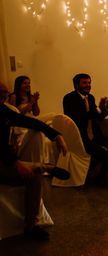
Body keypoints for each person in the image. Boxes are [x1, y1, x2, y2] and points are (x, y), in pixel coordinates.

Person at [1, 82, 68, 241]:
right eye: (0, 92)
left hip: (5, 159)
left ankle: (44, 167)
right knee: (32, 177)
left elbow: (31, 122)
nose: (3, 95)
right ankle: (30, 227)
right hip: (3, 162)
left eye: (5, 92)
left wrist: (56, 135)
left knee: (34, 176)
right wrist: (15, 163)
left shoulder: (2, 110)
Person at [62, 73, 108, 186]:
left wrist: (107, 108)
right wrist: (99, 108)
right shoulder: (69, 99)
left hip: (94, 135)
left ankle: (105, 173)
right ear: (76, 85)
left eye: (89, 83)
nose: (87, 85)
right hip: (80, 137)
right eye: (84, 83)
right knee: (105, 153)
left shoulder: (91, 98)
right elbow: (80, 117)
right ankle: (101, 177)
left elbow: (98, 117)